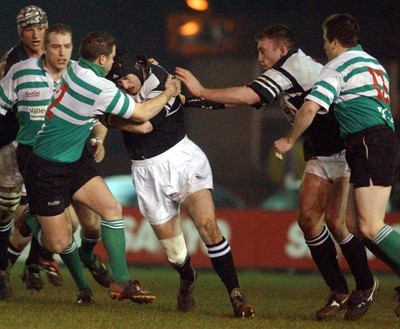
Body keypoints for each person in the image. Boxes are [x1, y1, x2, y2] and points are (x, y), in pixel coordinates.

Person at [175, 24, 377, 321]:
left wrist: (201, 90)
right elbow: (245, 100)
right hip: (320, 152)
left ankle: (366, 285)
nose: (259, 57)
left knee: (336, 222)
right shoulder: (287, 71)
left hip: (343, 147)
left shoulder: (292, 67)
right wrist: (190, 101)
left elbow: (246, 96)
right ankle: (339, 291)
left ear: (281, 50)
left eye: (263, 50)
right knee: (308, 221)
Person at [20, 31, 180, 304]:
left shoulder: (74, 67)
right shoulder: (99, 87)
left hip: (76, 159)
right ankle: (31, 221)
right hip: (47, 167)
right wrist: (168, 92)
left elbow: (100, 101)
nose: (115, 63)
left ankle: (122, 282)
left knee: (111, 209)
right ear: (103, 58)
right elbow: (141, 116)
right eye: (113, 58)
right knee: (58, 243)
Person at [102, 50, 254, 318]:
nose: (124, 85)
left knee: (208, 227)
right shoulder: (130, 86)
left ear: (139, 69)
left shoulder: (162, 81)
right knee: (175, 253)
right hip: (147, 172)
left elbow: (144, 124)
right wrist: (109, 122)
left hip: (182, 160)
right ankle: (187, 277)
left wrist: (113, 120)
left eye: (126, 78)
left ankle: (236, 295)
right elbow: (131, 119)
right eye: (118, 82)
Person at [274, 13, 400, 318]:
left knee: (370, 225)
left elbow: (311, 106)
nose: (324, 47)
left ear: (333, 40)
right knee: (357, 226)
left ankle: (369, 283)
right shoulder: (373, 63)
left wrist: (290, 140)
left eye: (324, 40)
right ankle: (368, 284)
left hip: (368, 142)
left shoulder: (337, 66)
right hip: (375, 142)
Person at [0, 23, 113, 303]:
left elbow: (101, 117)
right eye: (55, 47)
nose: (62, 53)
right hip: (35, 159)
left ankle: (83, 257)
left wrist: (98, 140)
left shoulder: (79, 74)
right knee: (57, 231)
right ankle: (14, 270)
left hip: (76, 157)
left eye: (67, 47)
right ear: (44, 48)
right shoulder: (21, 72)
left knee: (91, 226)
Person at [0, 4, 62, 299]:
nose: (36, 34)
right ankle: (7, 269)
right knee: (7, 211)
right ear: (20, 33)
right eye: (29, 29)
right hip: (13, 146)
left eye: (40, 28)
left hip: (49, 147)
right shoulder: (11, 63)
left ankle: (30, 264)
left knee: (46, 207)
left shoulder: (58, 55)